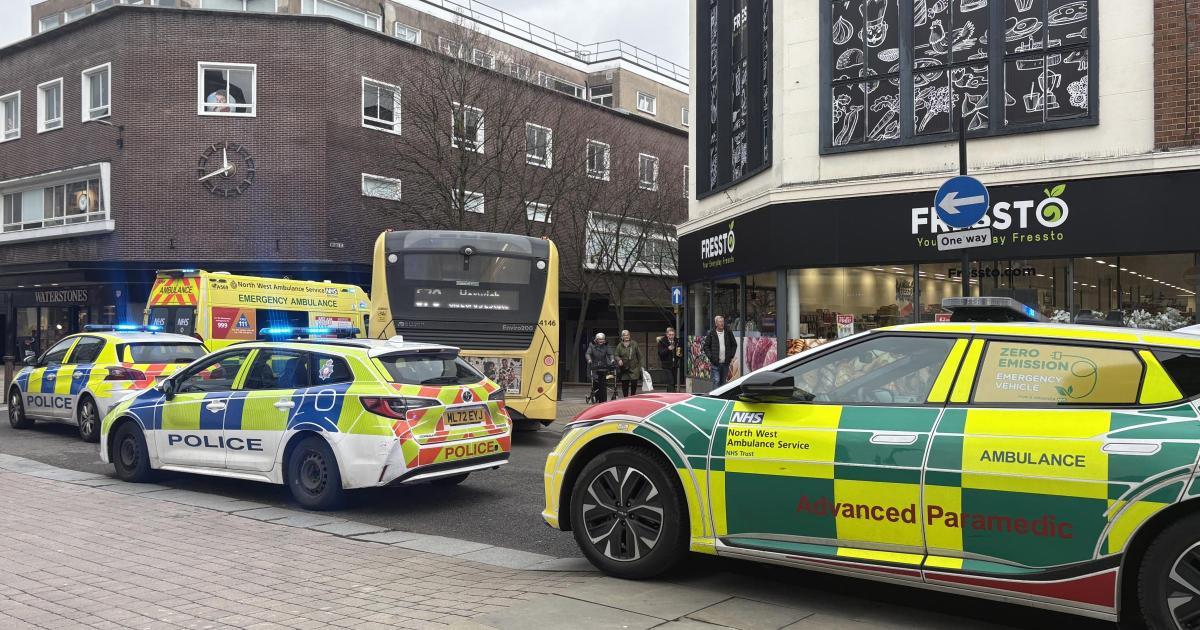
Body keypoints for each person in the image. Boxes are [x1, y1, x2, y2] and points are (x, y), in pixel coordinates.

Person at [702, 315, 737, 389]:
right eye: (720, 322)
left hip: (725, 362)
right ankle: (715, 398)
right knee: (716, 380)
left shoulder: (728, 332)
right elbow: (706, 346)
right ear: (716, 324)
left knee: (723, 382)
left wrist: (731, 356)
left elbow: (734, 344)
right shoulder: (711, 333)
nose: (722, 323)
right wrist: (711, 357)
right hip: (715, 363)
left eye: (722, 322)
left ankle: (721, 398)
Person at [585, 332, 614, 403]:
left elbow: (610, 354)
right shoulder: (592, 345)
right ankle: (597, 397)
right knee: (596, 382)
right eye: (600, 339)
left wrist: (612, 359)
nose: (601, 341)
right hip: (594, 366)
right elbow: (588, 353)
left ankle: (603, 399)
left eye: (602, 339)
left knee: (603, 383)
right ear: (596, 339)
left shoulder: (606, 345)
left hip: (603, 366)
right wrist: (589, 359)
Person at [613, 329, 643, 398]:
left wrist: (641, 367)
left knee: (634, 383)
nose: (626, 336)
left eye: (627, 335)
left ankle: (633, 397)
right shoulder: (619, 345)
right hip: (624, 368)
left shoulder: (634, 344)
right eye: (624, 335)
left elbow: (640, 356)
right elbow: (616, 355)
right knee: (625, 384)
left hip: (634, 368)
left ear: (629, 335)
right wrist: (619, 359)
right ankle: (626, 398)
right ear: (622, 337)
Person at [657, 327, 681, 393]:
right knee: (670, 381)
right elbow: (660, 353)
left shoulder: (677, 341)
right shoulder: (662, 342)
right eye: (670, 335)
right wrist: (668, 349)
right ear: (667, 334)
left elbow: (680, 351)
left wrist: (679, 354)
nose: (671, 336)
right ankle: (673, 395)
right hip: (666, 365)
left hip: (674, 364)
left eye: (673, 335)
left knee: (673, 382)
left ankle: (669, 394)